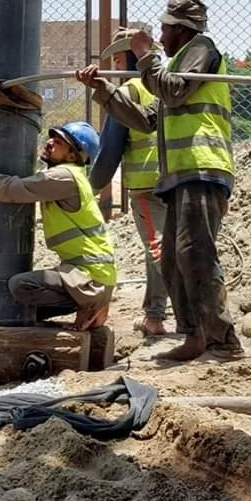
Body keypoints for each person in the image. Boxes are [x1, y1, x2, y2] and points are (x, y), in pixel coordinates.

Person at [77, 0, 242, 361]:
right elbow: (147, 119)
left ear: (182, 30)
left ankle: (222, 340)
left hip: (202, 167)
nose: (161, 36)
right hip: (180, 175)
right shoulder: (175, 66)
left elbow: (174, 91)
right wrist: (104, 90)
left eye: (165, 29)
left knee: (194, 253)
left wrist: (144, 53)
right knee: (172, 258)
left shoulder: (202, 49)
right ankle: (195, 335)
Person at [0, 122, 115, 330]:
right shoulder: (66, 177)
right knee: (14, 306)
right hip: (91, 273)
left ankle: (90, 304)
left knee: (22, 286)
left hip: (90, 277)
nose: (50, 142)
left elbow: (10, 189)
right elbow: (18, 191)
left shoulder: (63, 177)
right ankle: (90, 302)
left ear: (73, 155)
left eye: (59, 142)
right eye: (52, 137)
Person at [89, 28, 169, 336]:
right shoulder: (168, 86)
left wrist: (90, 189)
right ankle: (154, 317)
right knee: (161, 249)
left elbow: (110, 150)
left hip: (147, 187)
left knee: (160, 251)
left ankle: (193, 313)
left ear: (128, 58)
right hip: (179, 179)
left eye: (118, 59)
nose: (115, 66)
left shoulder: (128, 92)